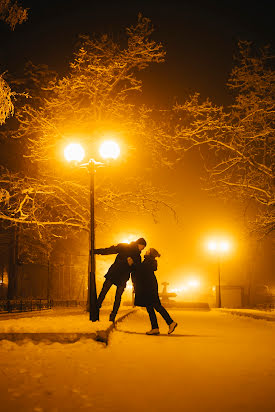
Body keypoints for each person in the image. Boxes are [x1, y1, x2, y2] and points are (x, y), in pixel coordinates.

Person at [94, 238, 147, 322]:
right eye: (143, 246)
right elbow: (111, 250)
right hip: (115, 274)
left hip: (120, 276)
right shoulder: (125, 247)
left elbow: (136, 270)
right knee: (104, 293)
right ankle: (96, 311)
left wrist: (132, 264)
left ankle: (112, 315)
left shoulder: (137, 256)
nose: (143, 248)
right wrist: (96, 251)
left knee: (115, 296)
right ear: (139, 244)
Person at [131, 248, 177, 335]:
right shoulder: (149, 261)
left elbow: (141, 269)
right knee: (150, 307)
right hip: (149, 286)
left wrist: (133, 264)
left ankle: (170, 322)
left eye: (148, 250)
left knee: (156, 305)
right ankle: (155, 327)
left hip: (149, 287)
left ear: (150, 253)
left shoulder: (149, 261)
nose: (146, 251)